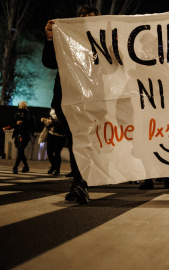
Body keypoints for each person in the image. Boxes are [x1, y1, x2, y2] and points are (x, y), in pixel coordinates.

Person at [42, 5, 100, 204]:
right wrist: (50, 38)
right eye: (83, 17)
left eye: (91, 18)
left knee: (81, 139)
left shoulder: (102, 40)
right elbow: (50, 62)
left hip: (90, 99)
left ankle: (80, 181)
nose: (86, 21)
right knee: (75, 139)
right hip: (65, 98)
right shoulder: (66, 37)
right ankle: (79, 182)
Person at [3, 101, 35, 174]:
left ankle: (15, 167)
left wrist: (24, 123)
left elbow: (31, 125)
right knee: (21, 152)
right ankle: (26, 166)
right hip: (17, 134)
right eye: (20, 105)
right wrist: (13, 125)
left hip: (25, 135)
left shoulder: (28, 114)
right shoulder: (17, 114)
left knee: (20, 151)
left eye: (23, 106)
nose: (21, 107)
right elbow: (13, 123)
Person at [41, 108, 66, 176]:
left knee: (57, 152)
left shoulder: (63, 111)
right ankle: (54, 166)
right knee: (49, 152)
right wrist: (46, 120)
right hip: (51, 133)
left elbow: (63, 123)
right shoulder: (53, 110)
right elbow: (51, 120)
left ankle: (57, 170)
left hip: (59, 135)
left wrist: (53, 122)